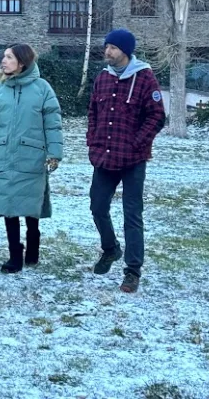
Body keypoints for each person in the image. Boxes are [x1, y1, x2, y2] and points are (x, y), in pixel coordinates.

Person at [87, 28, 166, 293]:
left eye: (112, 47)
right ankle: (110, 249)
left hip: (133, 159)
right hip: (104, 156)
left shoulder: (144, 78)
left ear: (125, 51)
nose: (107, 51)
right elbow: (93, 113)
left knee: (132, 215)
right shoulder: (102, 78)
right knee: (97, 207)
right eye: (106, 46)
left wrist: (137, 142)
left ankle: (132, 270)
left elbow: (157, 117)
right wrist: (93, 142)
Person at [0, 44, 63, 273]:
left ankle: (33, 250)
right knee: (8, 205)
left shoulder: (42, 89)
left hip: (32, 157)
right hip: (3, 156)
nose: (3, 61)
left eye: (8, 57)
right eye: (4, 57)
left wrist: (55, 154)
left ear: (22, 62)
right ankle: (15, 255)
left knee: (29, 205)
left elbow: (53, 123)